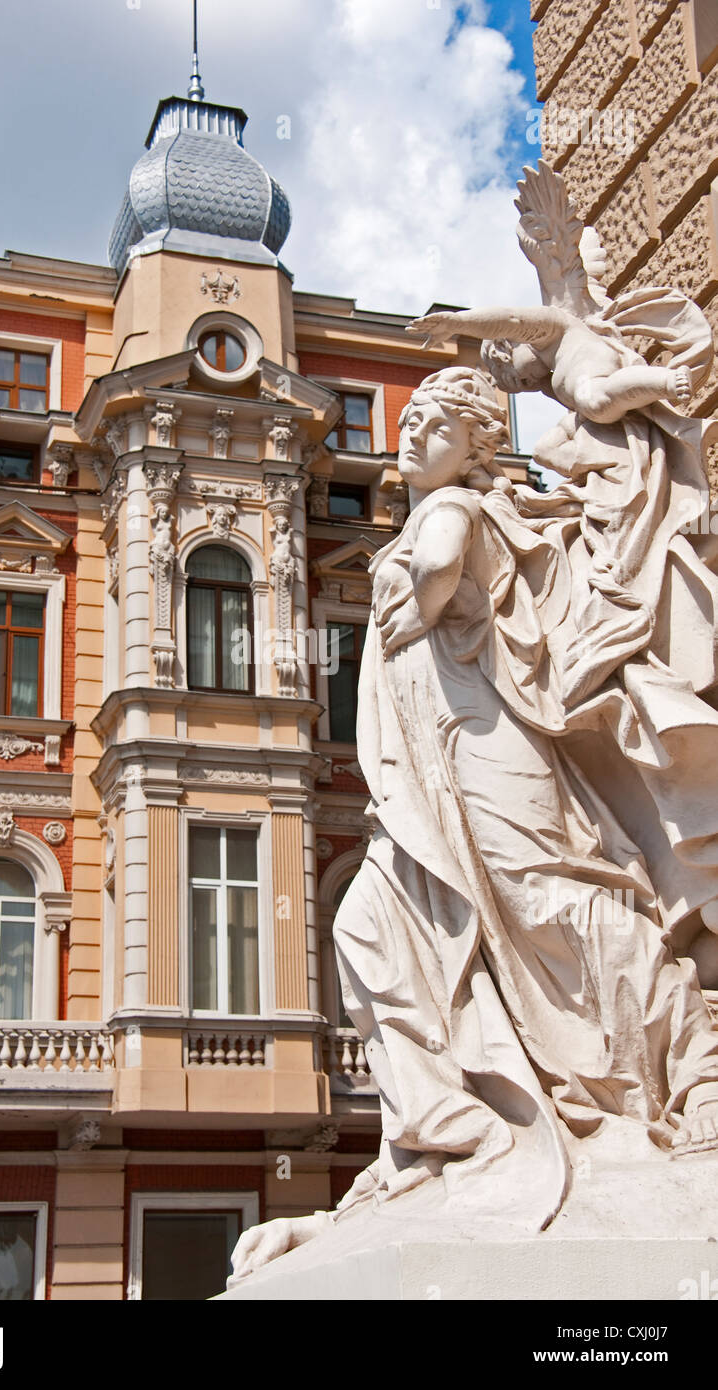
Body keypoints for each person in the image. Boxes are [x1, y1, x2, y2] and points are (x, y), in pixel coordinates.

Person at [229, 365, 718, 1284]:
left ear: (481, 447)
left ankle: (693, 1070)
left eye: (438, 424)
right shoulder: (434, 518)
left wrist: (418, 580)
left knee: (550, 903)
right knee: (364, 924)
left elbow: (444, 554)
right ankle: (439, 1132)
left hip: (485, 746)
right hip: (420, 776)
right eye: (408, 420)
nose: (412, 434)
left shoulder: (461, 513)